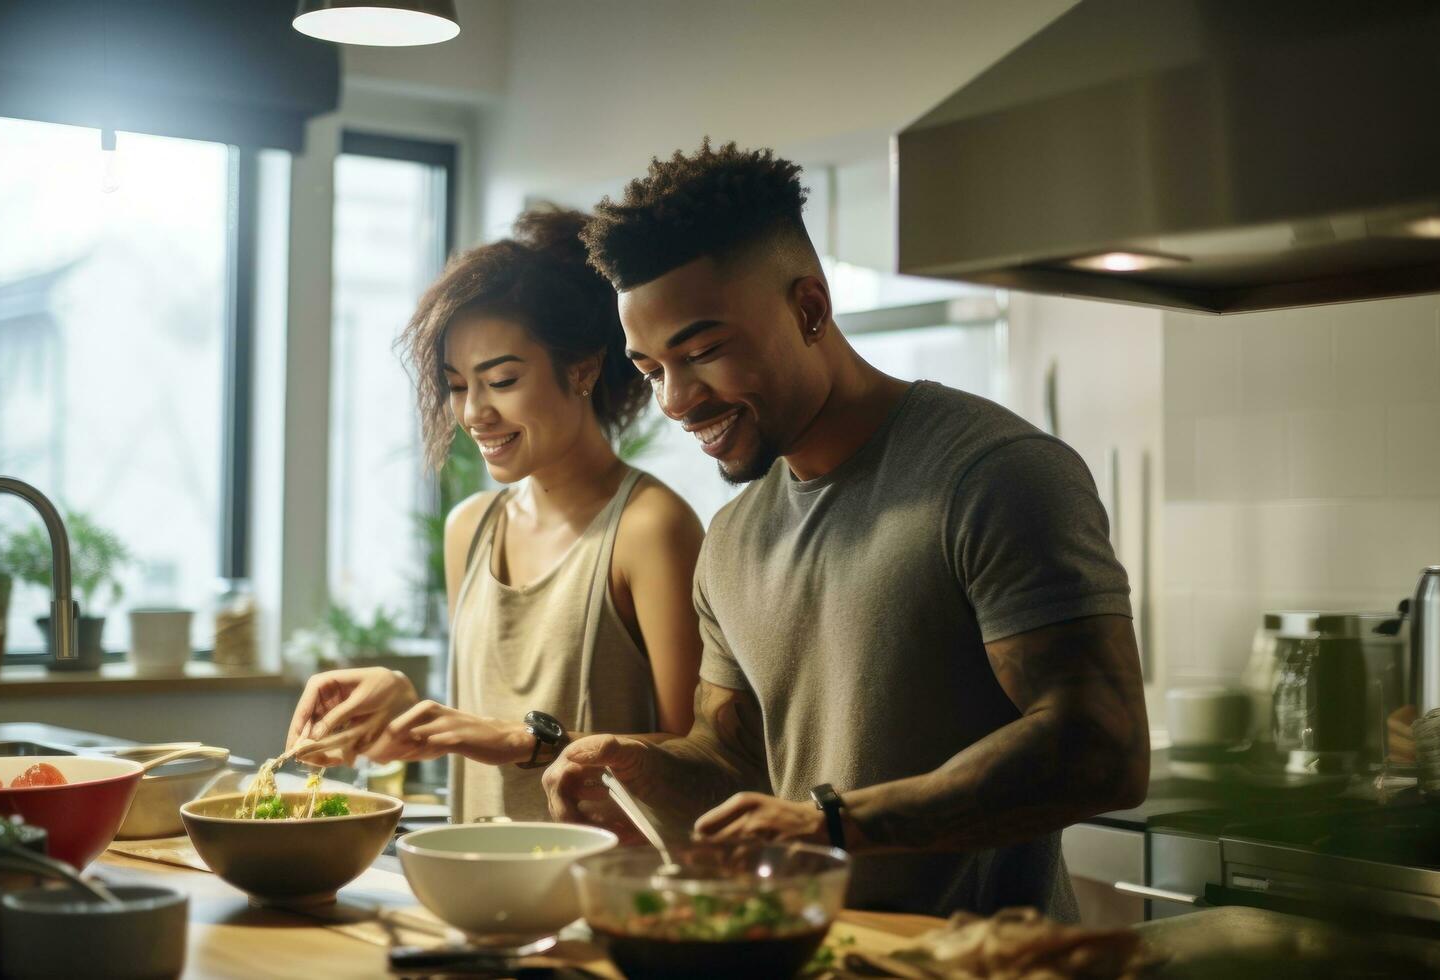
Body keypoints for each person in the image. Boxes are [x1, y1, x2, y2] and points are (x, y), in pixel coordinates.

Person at [544, 141, 1149, 919]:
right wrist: (634, 764)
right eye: (653, 367)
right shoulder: (731, 538)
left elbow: (1099, 747)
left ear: (808, 308)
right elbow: (732, 754)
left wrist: (833, 822)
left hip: (975, 969)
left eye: (702, 352)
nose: (675, 399)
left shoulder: (993, 474)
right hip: (810, 953)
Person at [287, 207, 706, 824]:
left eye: (502, 380)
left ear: (583, 368)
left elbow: (702, 759)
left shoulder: (648, 528)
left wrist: (529, 740)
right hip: (475, 884)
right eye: (458, 385)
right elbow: (488, 723)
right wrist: (406, 711)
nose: (473, 413)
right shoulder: (470, 528)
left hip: (601, 893)